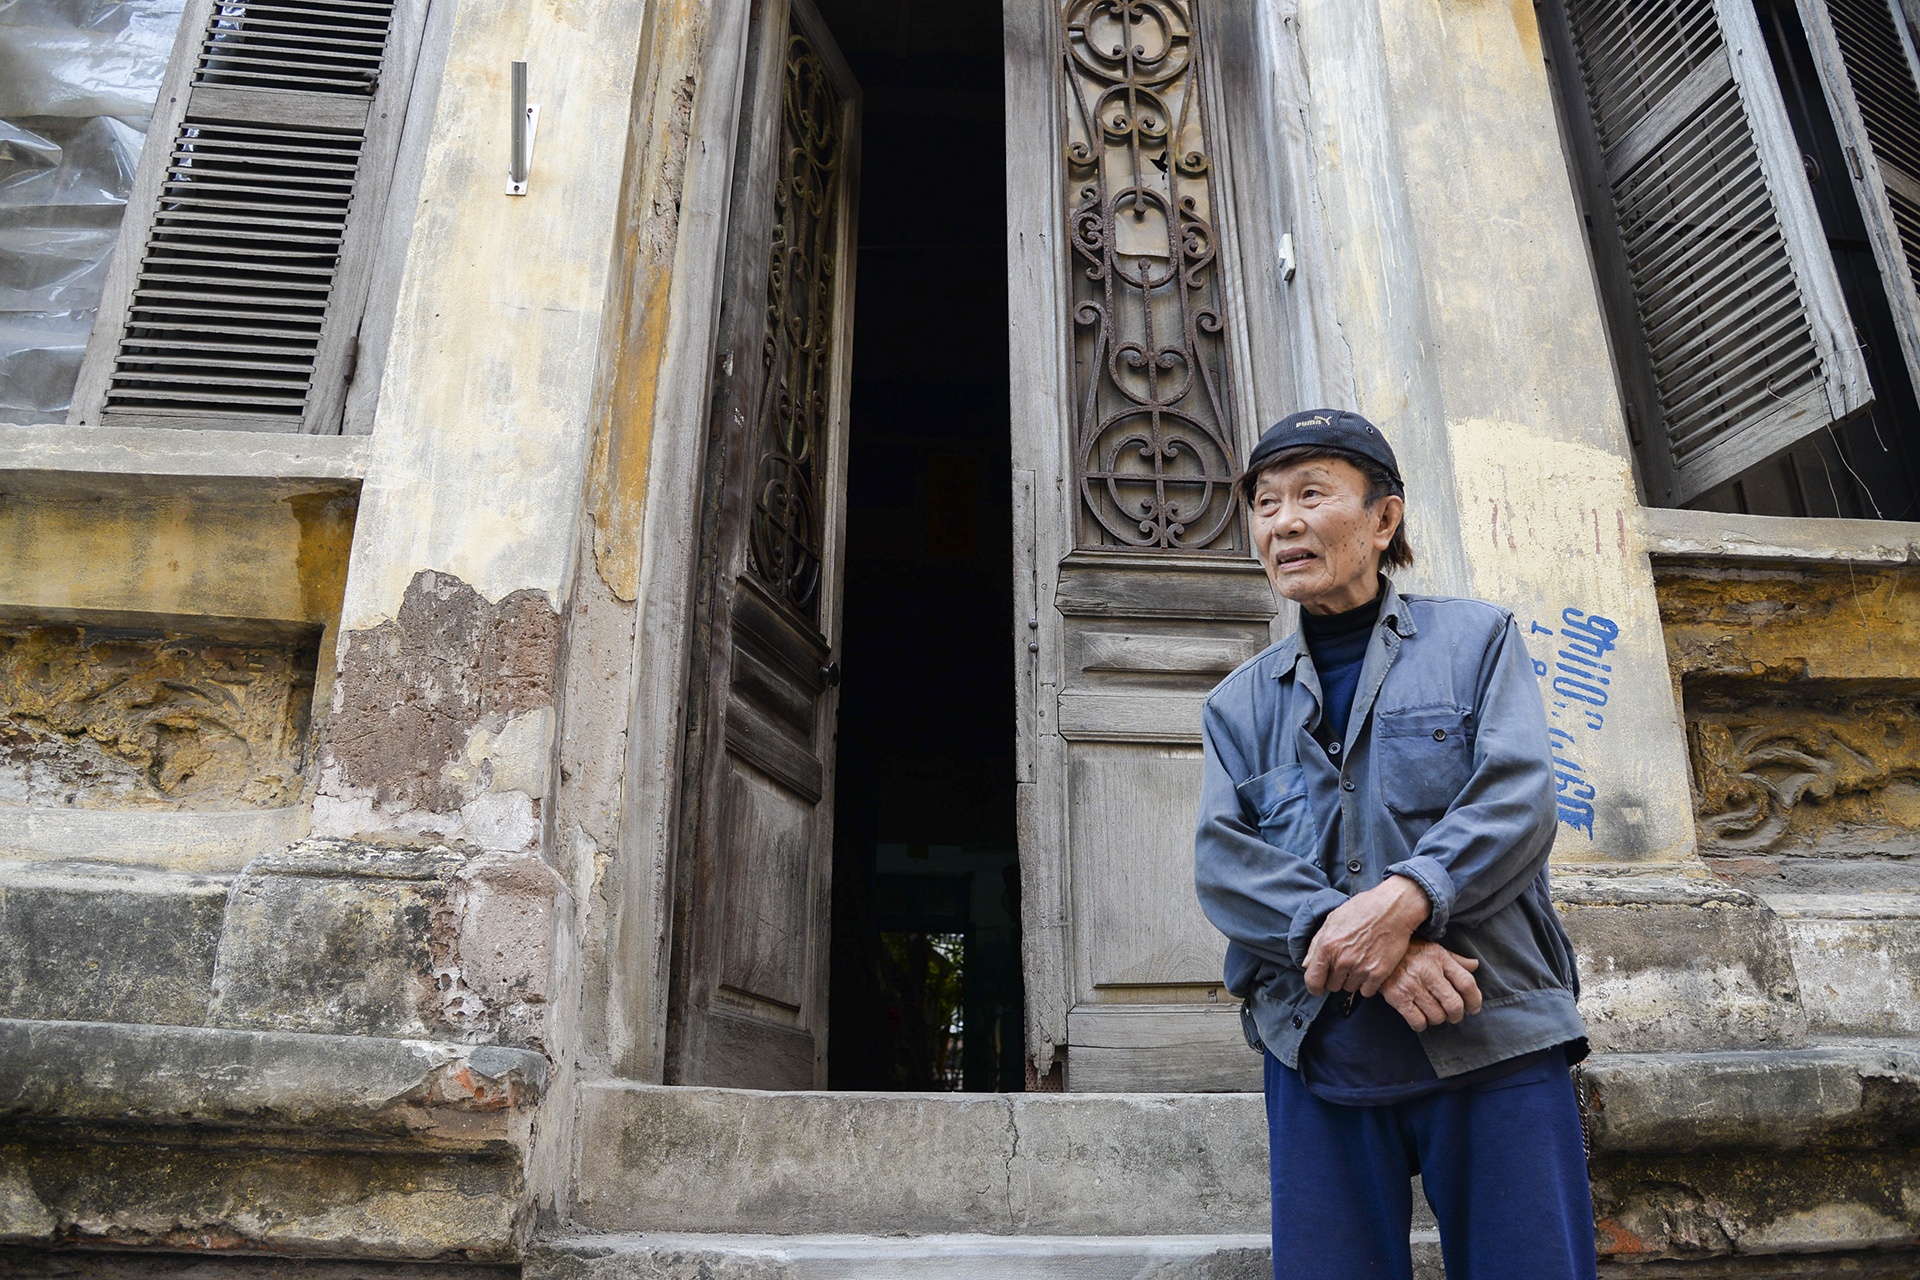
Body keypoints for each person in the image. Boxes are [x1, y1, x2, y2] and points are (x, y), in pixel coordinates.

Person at [1192, 409, 1596, 1280]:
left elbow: (1519, 796)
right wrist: (1373, 943)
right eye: (1265, 503)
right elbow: (1226, 864)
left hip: (1491, 1024)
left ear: (1384, 519)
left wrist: (1407, 898)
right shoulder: (1236, 706)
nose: (1283, 523)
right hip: (1320, 1045)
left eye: (1311, 495)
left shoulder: (1477, 641)